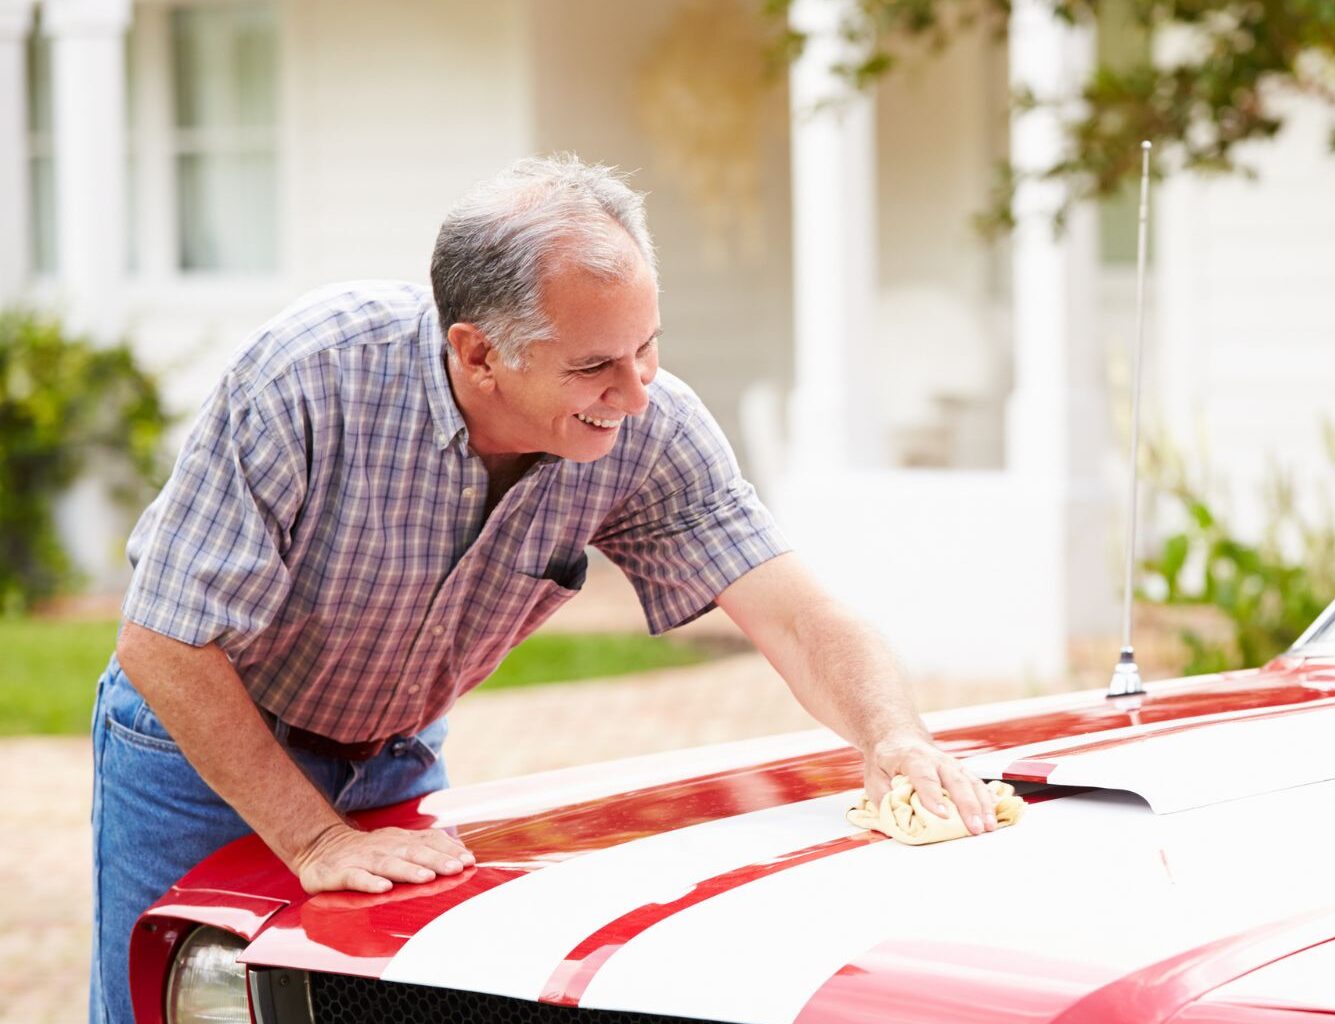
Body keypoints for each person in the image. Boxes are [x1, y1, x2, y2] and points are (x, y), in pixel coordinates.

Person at [88, 154, 997, 1023]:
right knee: (178, 1004)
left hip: (396, 756)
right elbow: (164, 640)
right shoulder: (310, 374)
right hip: (197, 753)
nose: (634, 393)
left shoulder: (651, 428)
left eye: (647, 347)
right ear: (480, 353)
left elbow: (797, 615)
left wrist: (893, 738)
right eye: (594, 366)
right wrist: (316, 840)